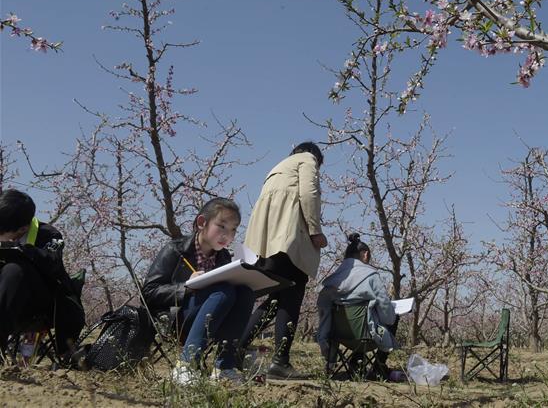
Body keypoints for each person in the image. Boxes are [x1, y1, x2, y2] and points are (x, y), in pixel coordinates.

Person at [240, 141, 328, 379]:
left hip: (267, 242)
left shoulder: (277, 167)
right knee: (290, 297)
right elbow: (309, 194)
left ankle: (237, 347)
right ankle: (280, 361)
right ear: (316, 157)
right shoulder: (308, 161)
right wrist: (315, 230)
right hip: (290, 240)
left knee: (276, 297)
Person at [142, 197, 253, 384]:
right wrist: (185, 287)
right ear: (202, 223)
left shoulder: (224, 257)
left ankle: (224, 368)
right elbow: (149, 292)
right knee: (223, 291)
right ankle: (186, 365)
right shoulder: (176, 250)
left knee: (245, 292)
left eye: (234, 230)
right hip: (175, 318)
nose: (228, 235)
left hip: (213, 316)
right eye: (222, 226)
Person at [0, 189, 85, 362]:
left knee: (14, 270)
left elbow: (53, 265)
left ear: (23, 229)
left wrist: (23, 251)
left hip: (36, 304)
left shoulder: (49, 235)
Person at [316, 234, 397, 380]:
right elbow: (386, 312)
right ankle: (378, 367)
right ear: (365, 254)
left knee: (366, 320)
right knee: (391, 318)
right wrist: (390, 317)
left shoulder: (330, 282)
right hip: (367, 336)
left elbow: (323, 311)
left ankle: (355, 363)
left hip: (337, 336)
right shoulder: (371, 276)